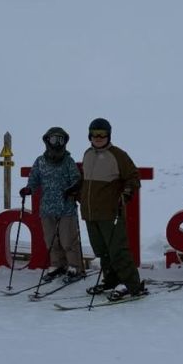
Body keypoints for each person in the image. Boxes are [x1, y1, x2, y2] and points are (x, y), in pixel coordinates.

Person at [78, 118, 145, 301]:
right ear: (89, 135)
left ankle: (132, 284)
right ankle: (111, 280)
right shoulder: (88, 154)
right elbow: (86, 182)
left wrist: (127, 192)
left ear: (109, 135)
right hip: (91, 213)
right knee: (102, 251)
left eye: (102, 134)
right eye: (95, 134)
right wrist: (77, 192)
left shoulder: (118, 155)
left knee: (117, 250)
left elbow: (133, 177)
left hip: (110, 212)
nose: (98, 138)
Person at [20, 127, 84, 282]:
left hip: (66, 207)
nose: (57, 143)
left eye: (61, 140)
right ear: (47, 140)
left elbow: (76, 179)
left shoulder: (68, 161)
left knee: (68, 239)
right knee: (51, 239)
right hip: (47, 207)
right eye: (54, 139)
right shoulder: (40, 161)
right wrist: (29, 189)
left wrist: (72, 189)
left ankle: (75, 266)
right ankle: (57, 265)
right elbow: (34, 179)